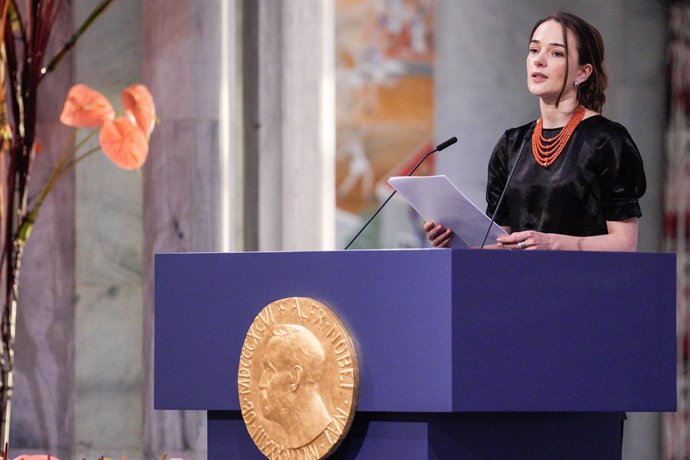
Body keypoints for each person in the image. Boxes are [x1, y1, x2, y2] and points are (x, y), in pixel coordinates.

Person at [424, 12, 646, 251]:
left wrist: (553, 243)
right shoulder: (513, 143)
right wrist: (457, 240)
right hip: (520, 284)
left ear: (583, 72)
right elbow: (501, 242)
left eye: (556, 53)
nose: (539, 60)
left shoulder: (606, 140)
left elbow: (624, 243)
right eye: (534, 50)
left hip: (583, 284)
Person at [258, 324, 332, 449]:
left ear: (294, 378)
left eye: (270, 371)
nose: (261, 383)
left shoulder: (320, 431)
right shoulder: (292, 442)